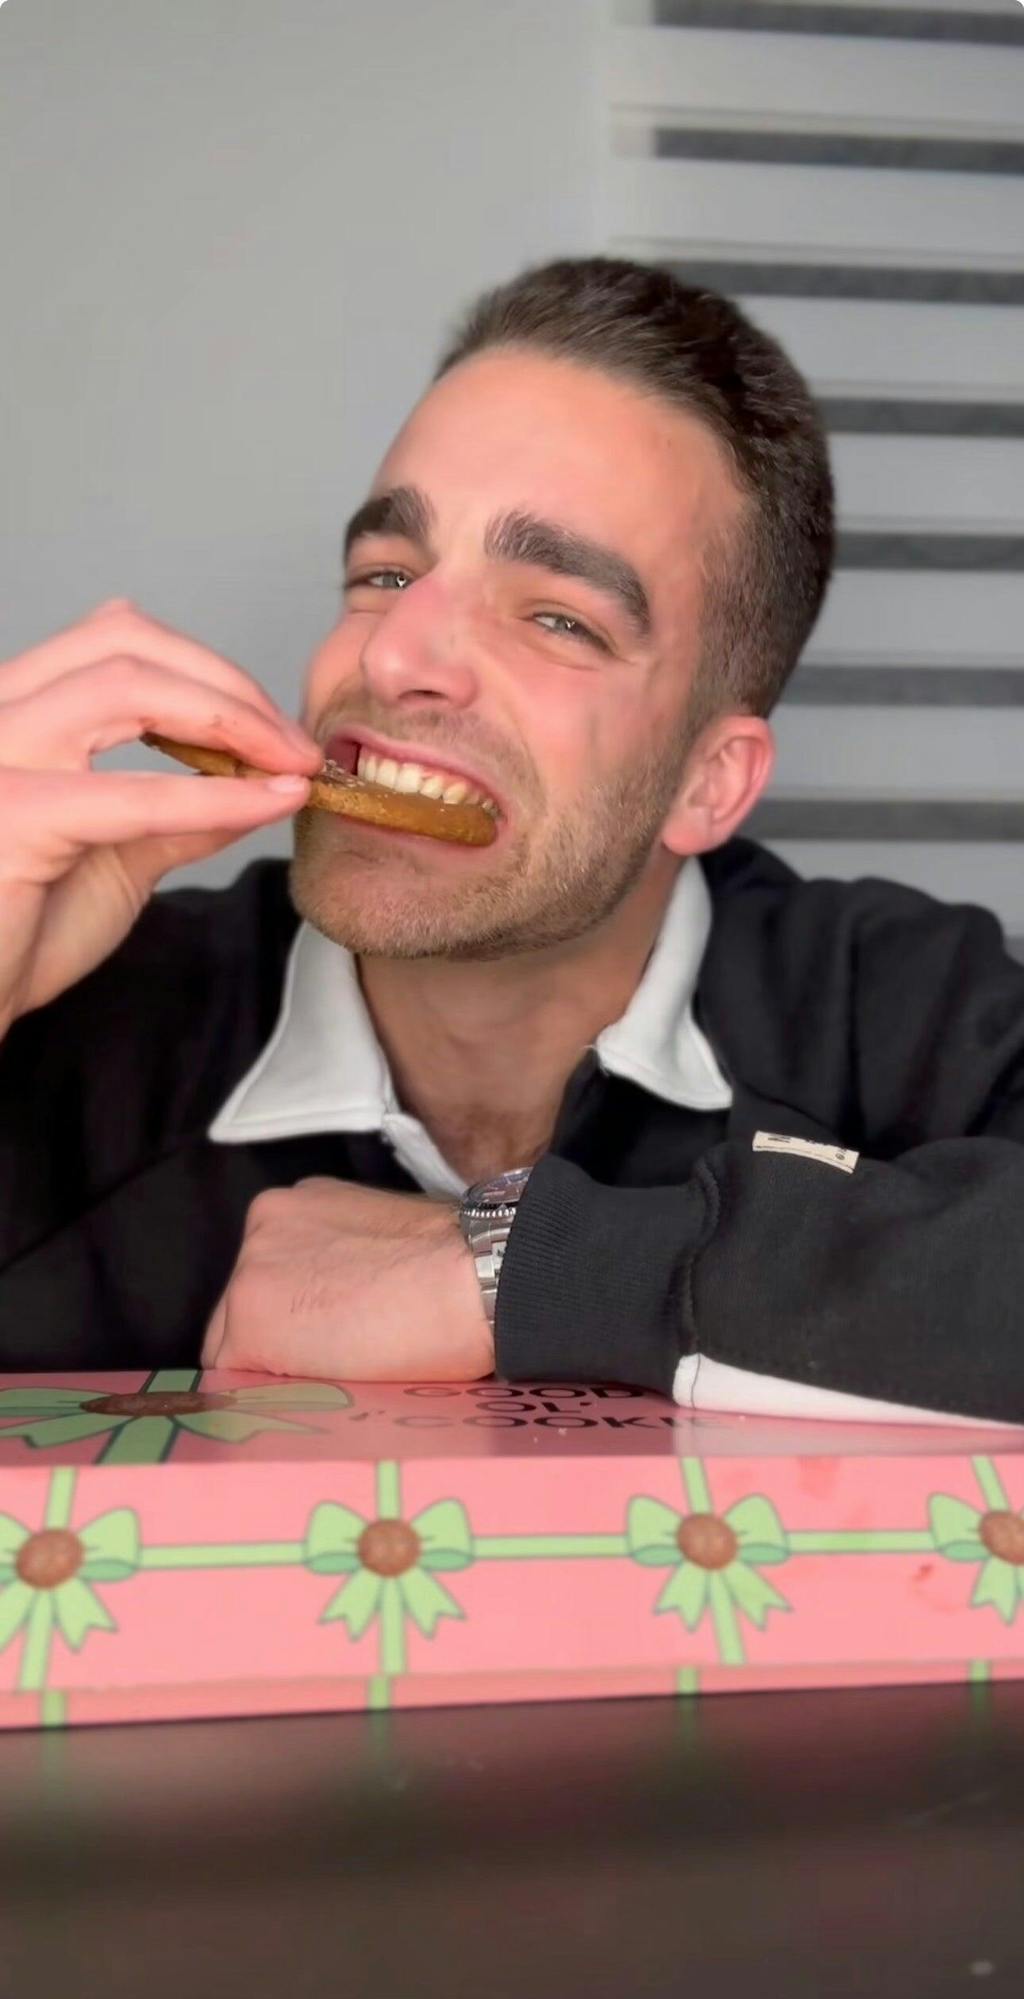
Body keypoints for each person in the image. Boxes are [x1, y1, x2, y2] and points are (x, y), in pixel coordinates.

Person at [3, 256, 1023, 1426]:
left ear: (707, 782)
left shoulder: (895, 1012)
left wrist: (514, 1267)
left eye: (556, 617)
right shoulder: (80, 1012)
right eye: (386, 572)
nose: (395, 655)